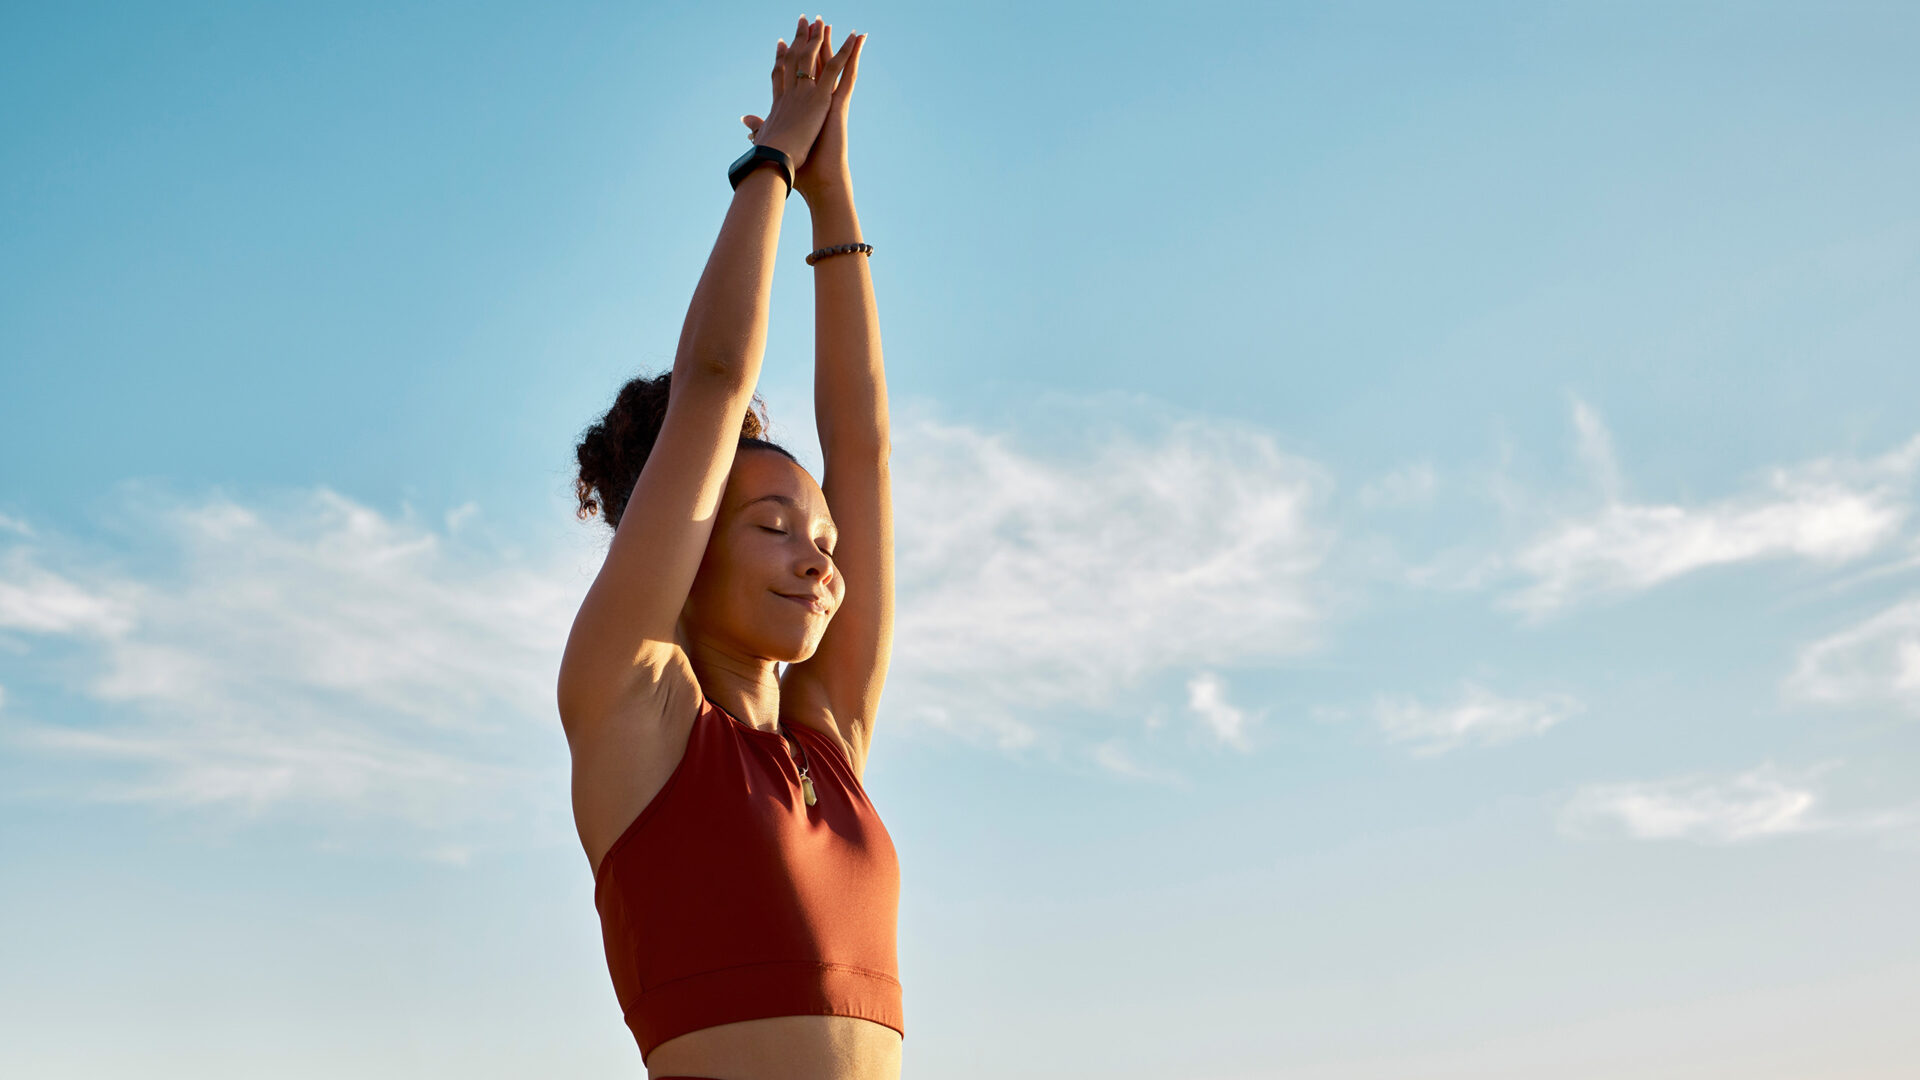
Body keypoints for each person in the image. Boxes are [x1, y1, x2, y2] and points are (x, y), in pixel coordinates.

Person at [559, 16, 901, 1080]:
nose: (819, 561)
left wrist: (836, 201)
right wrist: (773, 167)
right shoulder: (631, 708)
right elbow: (712, 384)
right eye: (771, 527)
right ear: (689, 544)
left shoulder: (829, 746)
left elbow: (866, 450)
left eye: (824, 542)